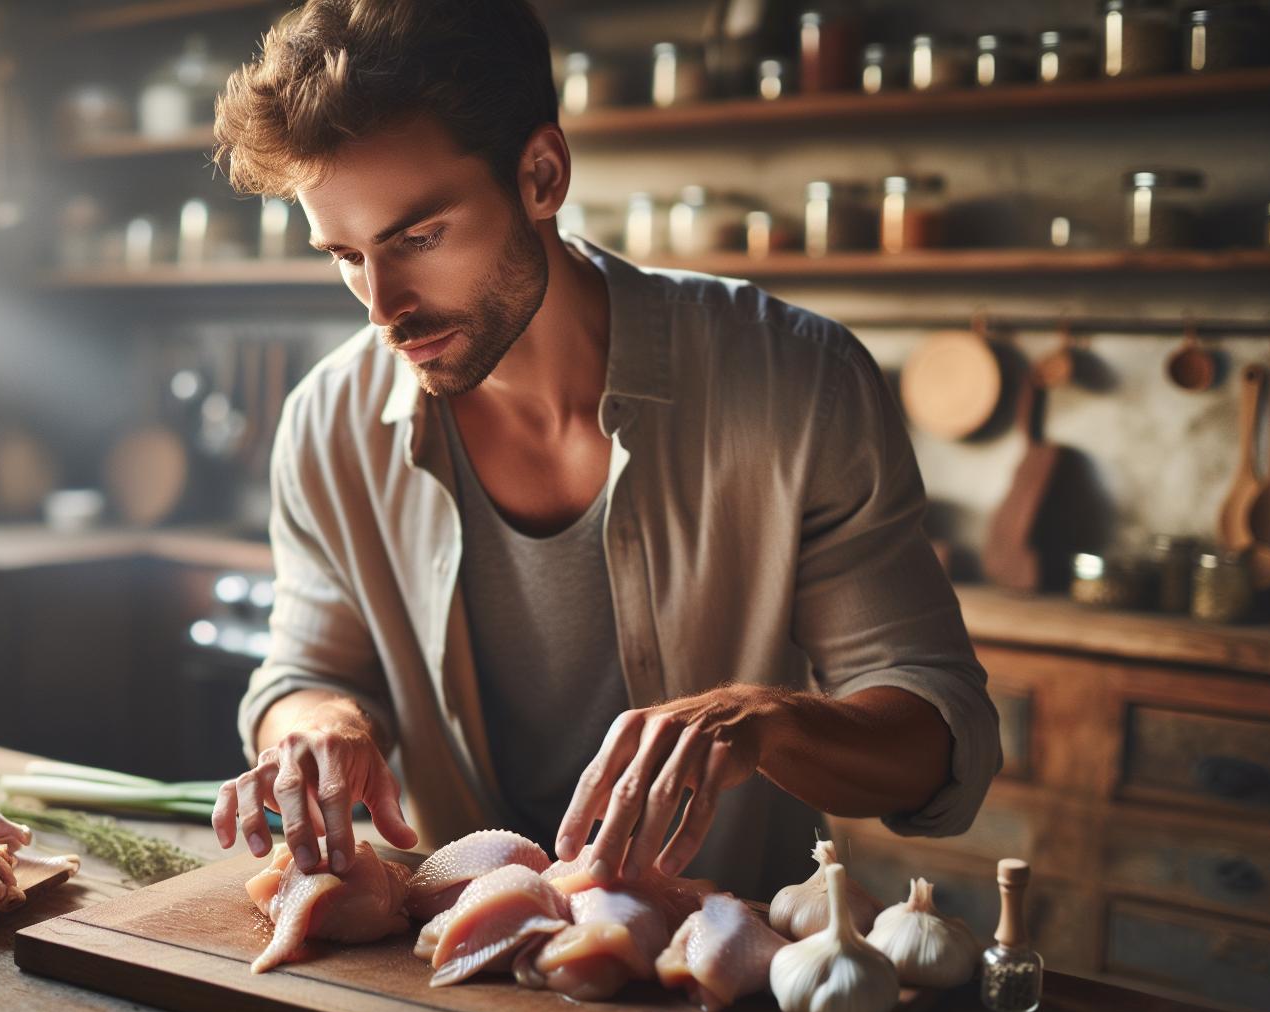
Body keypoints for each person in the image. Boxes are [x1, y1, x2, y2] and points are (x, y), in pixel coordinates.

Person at [207, 0, 1000, 900]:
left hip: (710, 964)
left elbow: (938, 742)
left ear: (541, 176)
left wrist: (768, 724)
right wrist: (320, 726)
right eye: (346, 255)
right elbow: (306, 673)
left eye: (418, 238)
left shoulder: (796, 381)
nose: (382, 306)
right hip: (448, 955)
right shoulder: (325, 421)